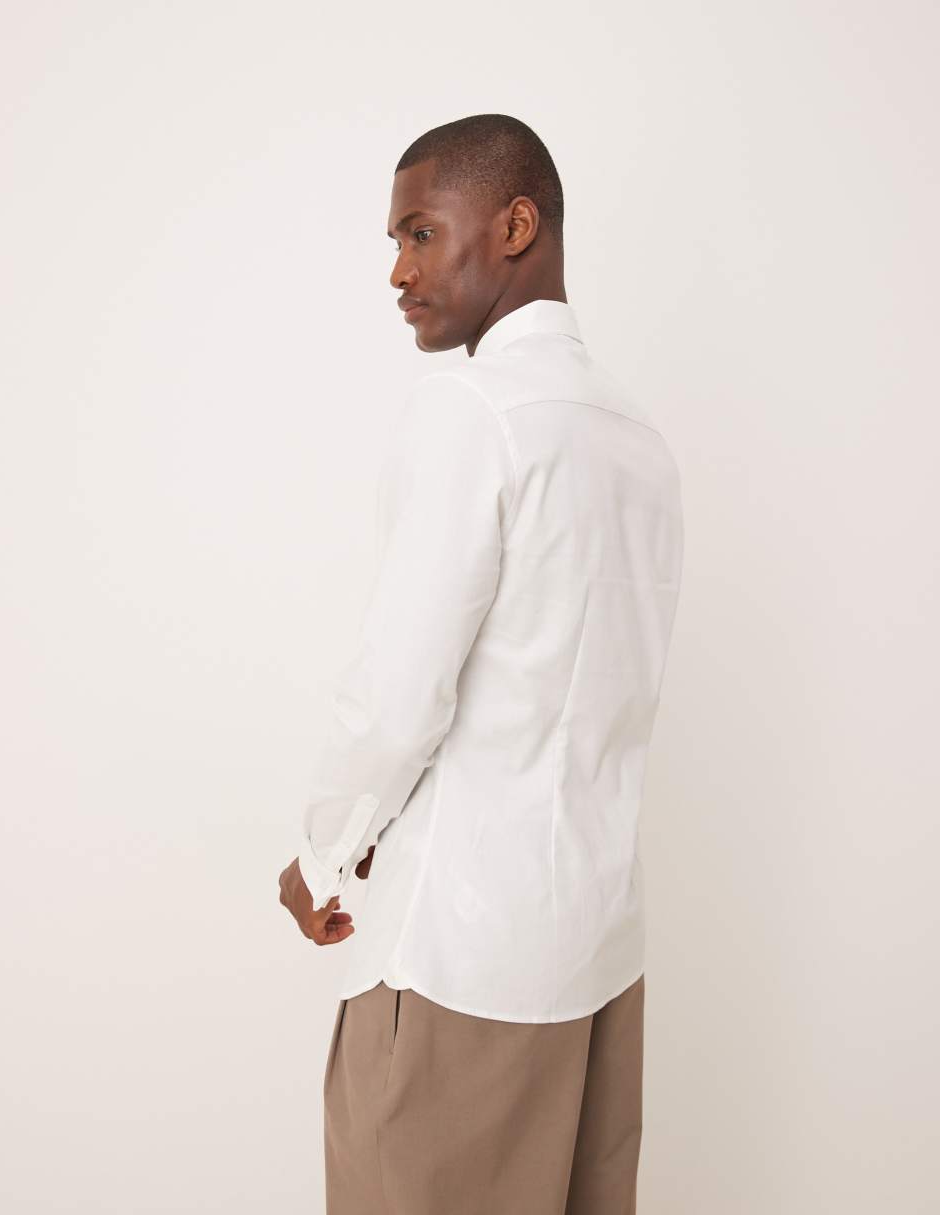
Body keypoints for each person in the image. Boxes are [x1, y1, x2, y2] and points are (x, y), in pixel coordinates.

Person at [278, 113, 684, 1214]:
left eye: (420, 232)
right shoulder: (636, 440)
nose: (398, 272)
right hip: (597, 955)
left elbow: (401, 692)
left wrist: (323, 851)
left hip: (459, 959)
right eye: (394, 243)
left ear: (515, 225)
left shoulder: (477, 411)